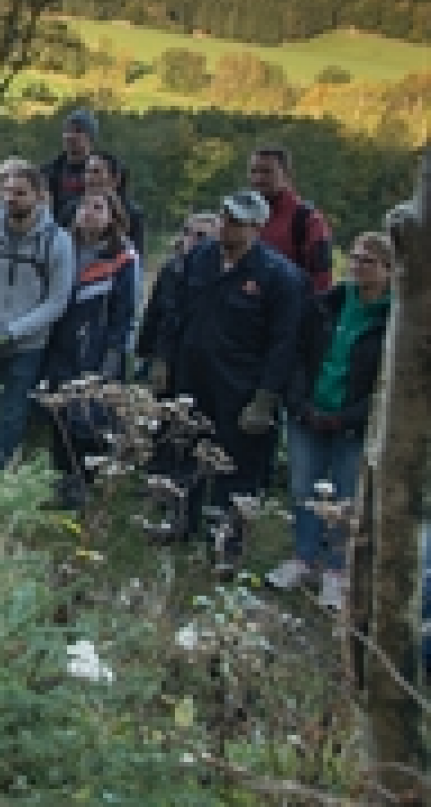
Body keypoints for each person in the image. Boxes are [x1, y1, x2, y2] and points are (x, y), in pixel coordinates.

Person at [152, 189, 306, 565]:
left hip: (242, 384)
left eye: (235, 222)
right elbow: (174, 312)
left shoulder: (278, 276)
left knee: (238, 465)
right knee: (184, 450)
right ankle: (180, 521)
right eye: (224, 218)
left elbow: (284, 343)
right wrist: (162, 359)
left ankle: (228, 544)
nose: (226, 227)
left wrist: (266, 397)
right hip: (192, 374)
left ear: (257, 228)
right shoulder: (199, 258)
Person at [266, 231, 393, 611]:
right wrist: (299, 401)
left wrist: (349, 417)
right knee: (305, 487)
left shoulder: (392, 321)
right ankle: (304, 557)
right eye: (353, 258)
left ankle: (337, 570)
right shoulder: (327, 304)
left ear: (389, 270)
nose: (357, 266)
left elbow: (388, 384)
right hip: (310, 410)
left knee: (344, 495)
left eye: (367, 261)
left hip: (353, 420)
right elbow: (302, 355)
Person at [0, 157, 77, 472]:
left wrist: (14, 331)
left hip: (26, 343)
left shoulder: (57, 241)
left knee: (13, 412)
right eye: (7, 192)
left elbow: (57, 300)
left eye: (20, 193)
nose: (11, 199)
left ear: (39, 195)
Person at [41, 189, 140, 509]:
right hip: (60, 342)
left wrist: (114, 355)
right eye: (85, 206)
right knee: (58, 412)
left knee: (88, 419)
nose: (89, 212)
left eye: (98, 207)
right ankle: (60, 479)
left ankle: (82, 485)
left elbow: (126, 312)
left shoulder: (124, 257)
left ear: (113, 216)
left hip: (97, 348)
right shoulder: (62, 247)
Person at [133, 212, 218, 382]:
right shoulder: (171, 268)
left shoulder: (217, 275)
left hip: (197, 359)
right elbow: (154, 312)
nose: (190, 239)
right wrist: (144, 352)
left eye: (200, 236)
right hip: (162, 352)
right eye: (187, 232)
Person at [248, 144, 335, 295]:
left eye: (267, 172)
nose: (258, 178)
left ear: (287, 175)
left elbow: (322, 281)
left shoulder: (308, 220)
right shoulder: (243, 217)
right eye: (254, 171)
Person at [70, 151, 145, 258]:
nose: (88, 177)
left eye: (96, 172)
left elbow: (137, 257)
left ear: (115, 179)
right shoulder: (71, 208)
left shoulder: (132, 214)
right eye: (87, 172)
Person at [42, 108, 99, 220]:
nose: (70, 136)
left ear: (90, 137)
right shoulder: (49, 170)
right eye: (67, 131)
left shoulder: (103, 170)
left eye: (78, 131)